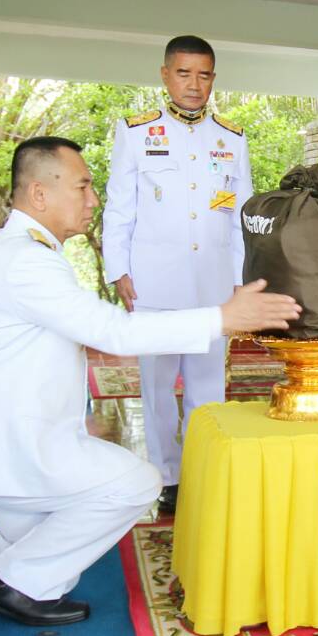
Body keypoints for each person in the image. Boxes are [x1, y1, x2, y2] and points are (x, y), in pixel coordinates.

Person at [0, 137, 298, 627]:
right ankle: (6, 588)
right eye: (83, 186)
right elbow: (113, 331)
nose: (94, 200)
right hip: (14, 448)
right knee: (136, 484)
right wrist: (223, 317)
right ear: (39, 194)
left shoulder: (28, 251)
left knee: (40, 557)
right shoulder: (27, 260)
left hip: (11, 444)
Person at [101, 36, 253, 517]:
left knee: (209, 387)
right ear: (165, 75)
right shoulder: (137, 132)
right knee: (158, 386)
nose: (194, 84)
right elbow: (120, 207)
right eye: (184, 73)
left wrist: (239, 280)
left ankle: (204, 470)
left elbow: (240, 217)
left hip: (212, 284)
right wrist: (118, 268)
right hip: (155, 283)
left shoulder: (232, 139)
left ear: (213, 79)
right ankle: (167, 476)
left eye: (204, 75)